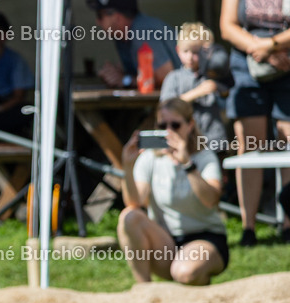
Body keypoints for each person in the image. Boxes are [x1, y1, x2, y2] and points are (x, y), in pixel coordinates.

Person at [118, 98, 228, 286]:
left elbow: (211, 200)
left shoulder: (204, 158)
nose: (168, 131)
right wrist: (127, 167)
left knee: (185, 273)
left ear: (190, 125)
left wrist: (187, 164)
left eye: (175, 125)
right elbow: (135, 203)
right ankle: (144, 292)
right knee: (129, 217)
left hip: (205, 237)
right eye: (162, 125)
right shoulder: (149, 158)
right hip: (166, 241)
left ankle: (199, 280)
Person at [220, 0, 290, 245]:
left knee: (288, 145)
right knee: (250, 146)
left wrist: (272, 45)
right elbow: (227, 26)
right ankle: (248, 227)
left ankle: (288, 223)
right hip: (248, 66)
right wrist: (259, 49)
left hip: (287, 61)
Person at [160, 22, 230, 153]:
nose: (190, 57)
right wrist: (198, 92)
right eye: (186, 51)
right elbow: (166, 106)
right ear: (178, 50)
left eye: (196, 52)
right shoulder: (174, 78)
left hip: (214, 141)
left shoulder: (214, 74)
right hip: (184, 143)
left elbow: (227, 102)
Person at [88, 0, 177, 90]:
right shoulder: (122, 37)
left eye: (100, 16)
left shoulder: (141, 32)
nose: (97, 22)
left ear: (117, 17)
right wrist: (119, 74)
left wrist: (125, 80)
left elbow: (166, 77)